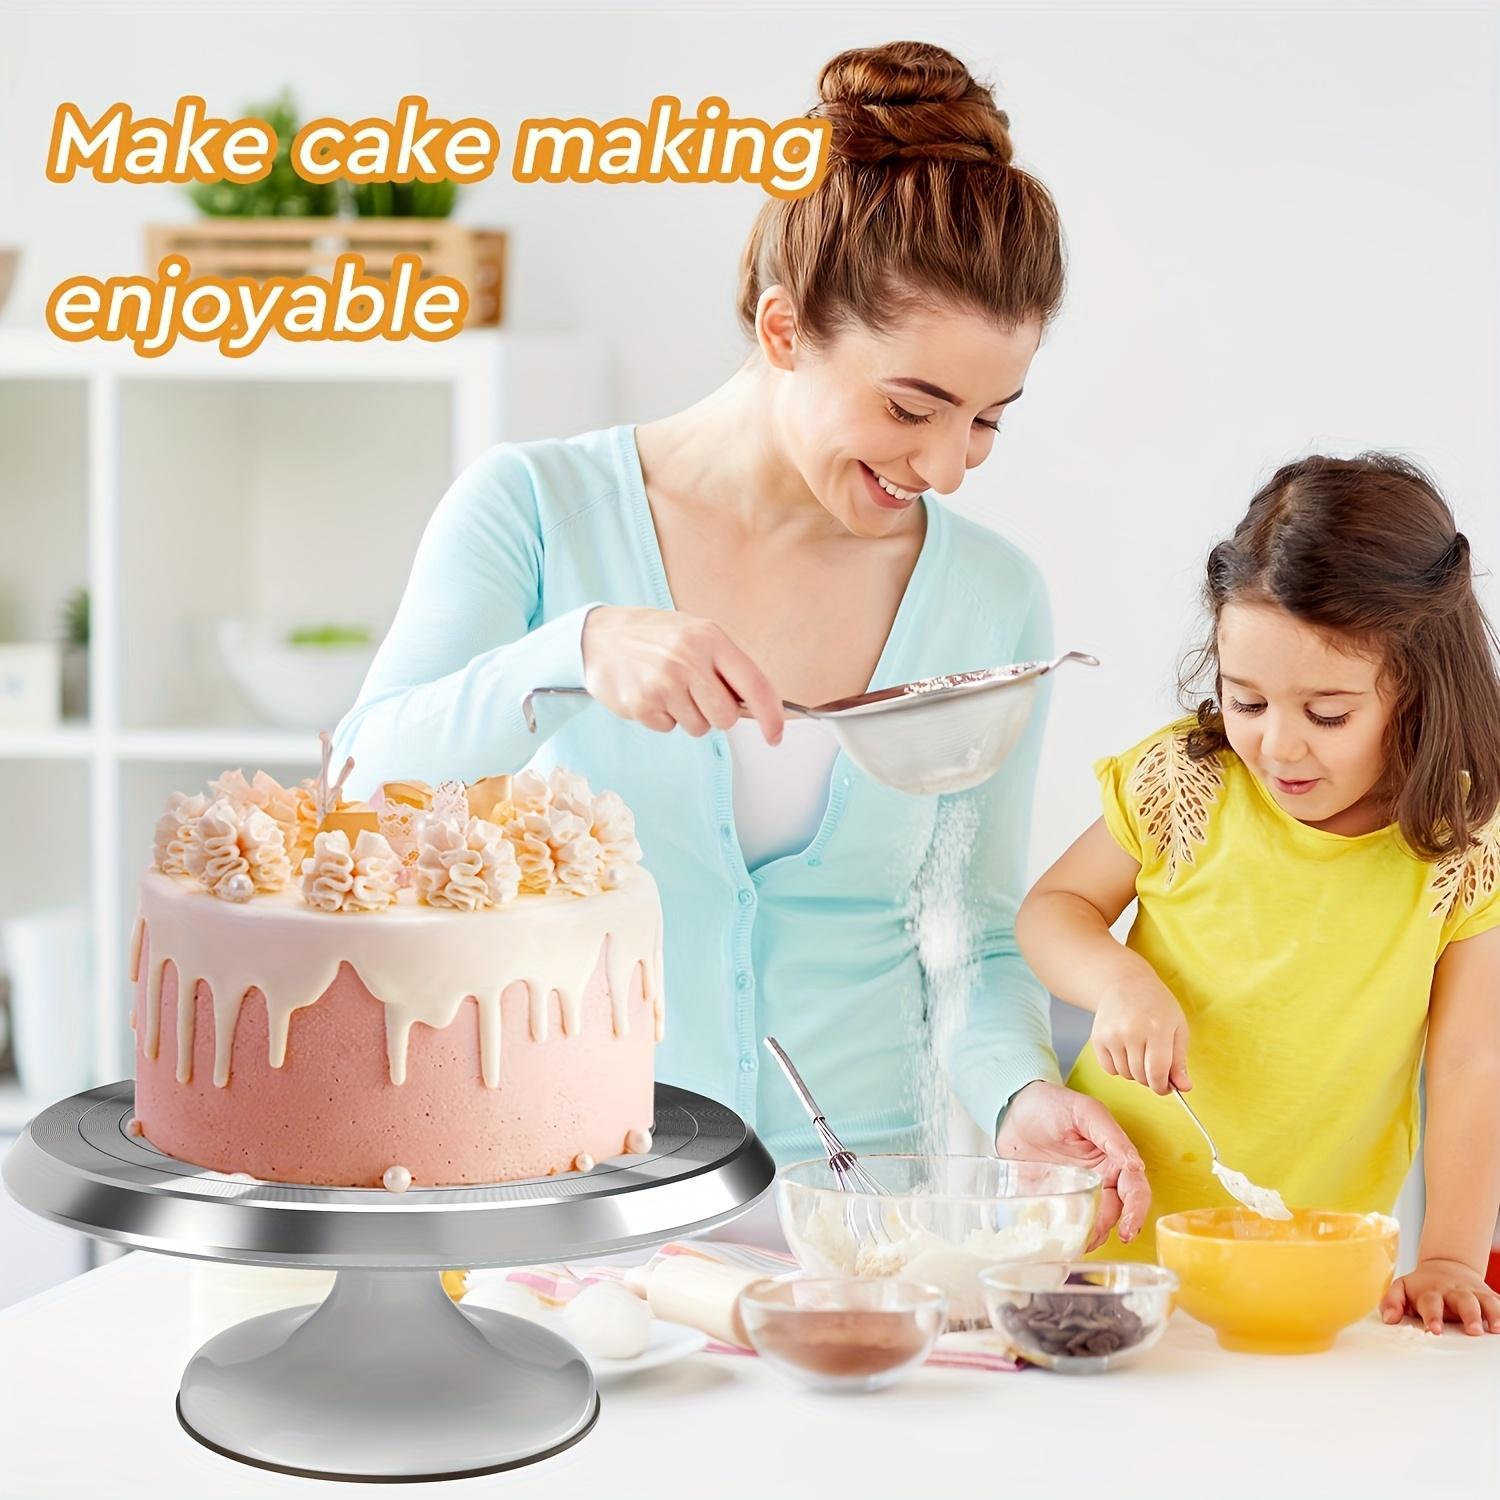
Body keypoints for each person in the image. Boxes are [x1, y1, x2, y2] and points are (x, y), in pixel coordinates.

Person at [334, 39, 1148, 1248]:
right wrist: (572, 651)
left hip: (867, 1225)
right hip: (577, 1201)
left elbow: (972, 932)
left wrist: (1020, 1094)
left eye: (986, 421)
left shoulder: (988, 597)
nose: (944, 465)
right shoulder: (535, 511)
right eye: (910, 407)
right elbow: (359, 784)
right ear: (782, 328)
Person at [1016, 452, 1500, 1332]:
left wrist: (1451, 1258)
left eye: (1326, 715)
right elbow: (1054, 911)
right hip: (1099, 1252)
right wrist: (1119, 982)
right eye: (1247, 702)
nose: (1278, 748)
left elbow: (1470, 1064)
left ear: (1420, 694)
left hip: (1309, 1277)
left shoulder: (1462, 846)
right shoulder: (1186, 783)